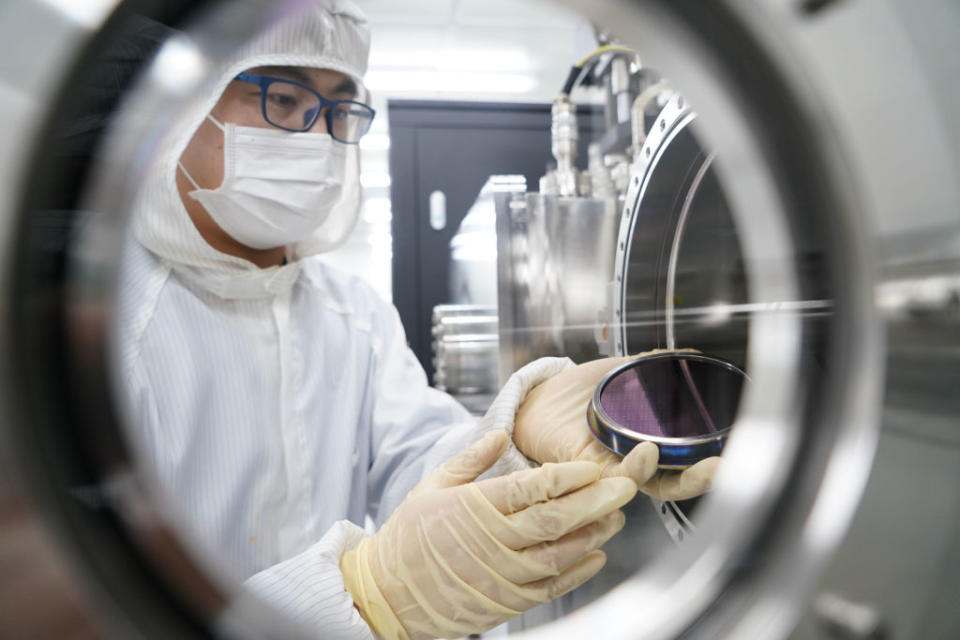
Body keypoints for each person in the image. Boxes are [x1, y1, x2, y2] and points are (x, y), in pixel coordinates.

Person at [115, 2, 715, 638]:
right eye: (284, 99)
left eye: (340, 109)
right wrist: (366, 595)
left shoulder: (351, 312)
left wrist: (520, 436)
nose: (316, 135)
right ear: (182, 103)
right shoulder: (108, 328)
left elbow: (420, 464)